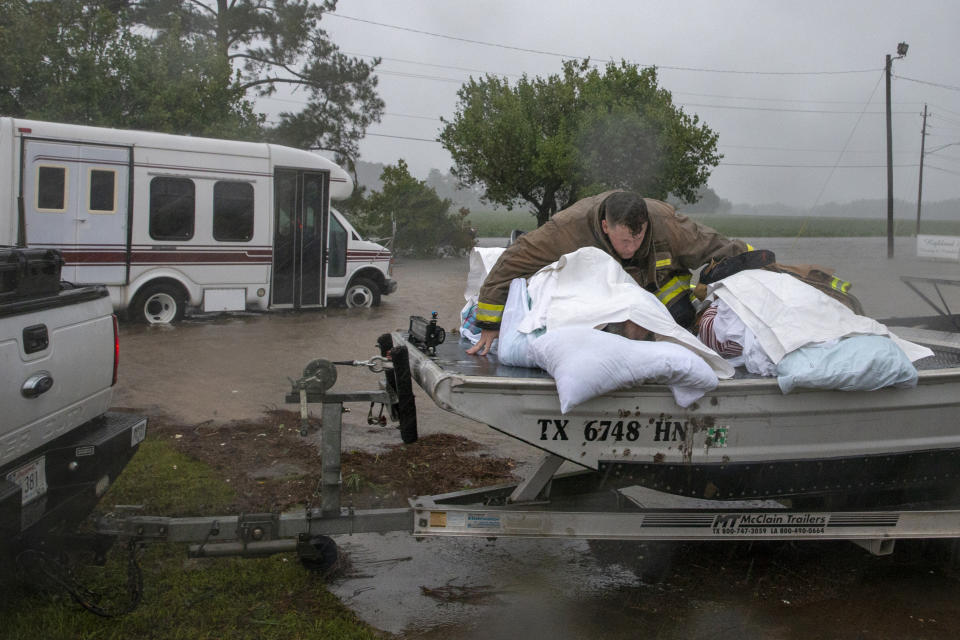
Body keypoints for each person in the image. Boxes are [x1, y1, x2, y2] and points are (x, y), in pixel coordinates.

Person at [467, 191, 752, 356]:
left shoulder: (666, 225)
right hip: (598, 299)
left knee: (682, 320)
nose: (631, 247)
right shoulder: (568, 229)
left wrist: (756, 262)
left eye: (638, 239)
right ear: (605, 227)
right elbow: (512, 262)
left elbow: (716, 245)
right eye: (624, 241)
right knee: (603, 340)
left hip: (661, 297)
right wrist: (490, 321)